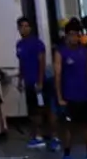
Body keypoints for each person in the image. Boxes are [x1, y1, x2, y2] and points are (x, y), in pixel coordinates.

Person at [54, 17, 87, 159]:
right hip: (69, 97)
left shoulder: (85, 51)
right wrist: (60, 97)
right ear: (66, 35)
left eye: (77, 34)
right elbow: (58, 76)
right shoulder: (60, 52)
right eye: (71, 34)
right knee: (69, 128)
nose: (74, 38)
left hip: (85, 95)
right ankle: (67, 156)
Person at [15, 17, 59, 151]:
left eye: (26, 26)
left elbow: (42, 63)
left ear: (30, 28)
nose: (24, 29)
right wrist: (20, 80)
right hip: (28, 82)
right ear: (18, 28)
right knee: (33, 111)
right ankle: (38, 137)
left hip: (40, 82)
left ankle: (54, 137)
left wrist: (39, 82)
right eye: (22, 26)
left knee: (45, 109)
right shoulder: (19, 45)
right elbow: (22, 63)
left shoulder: (37, 44)